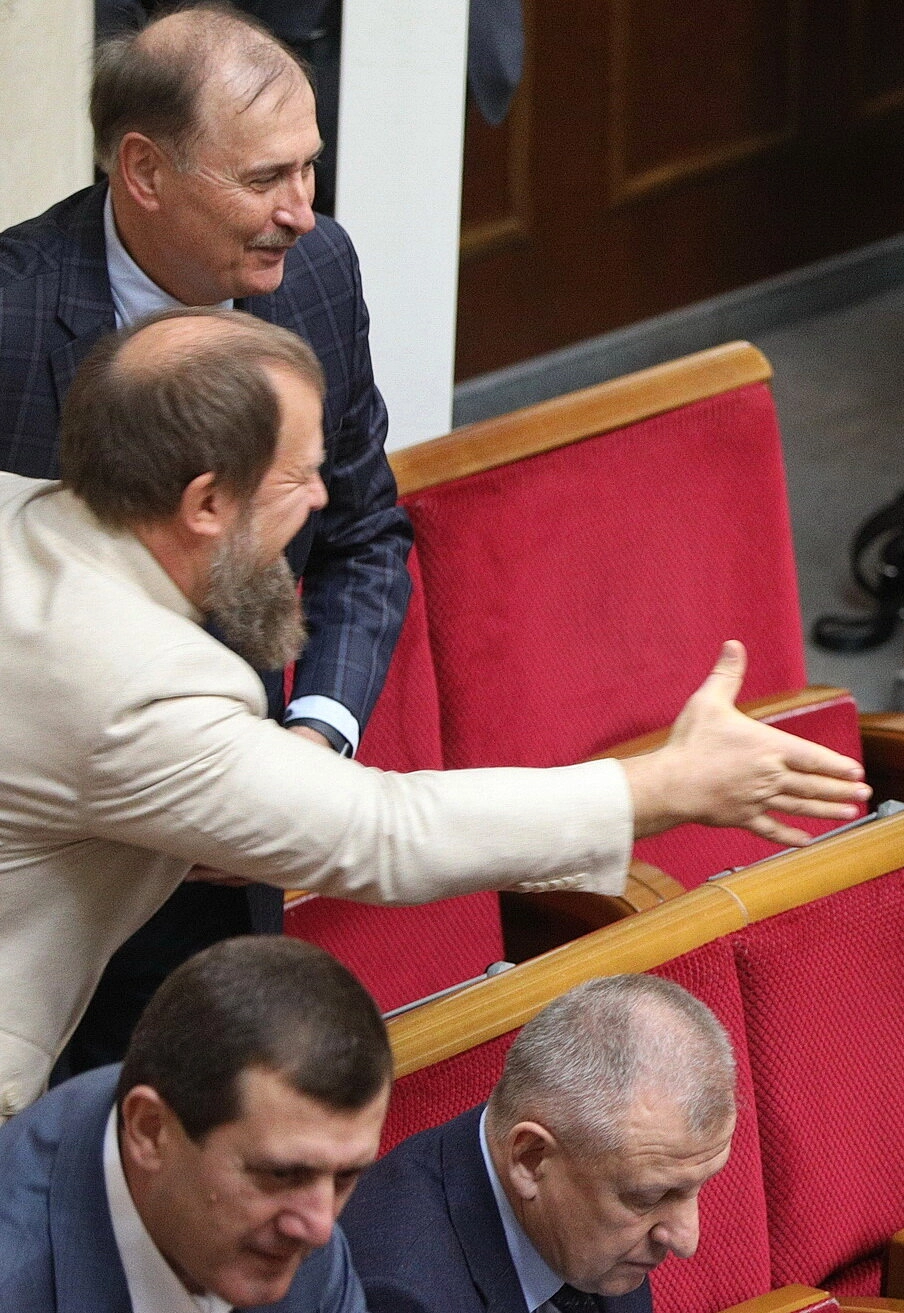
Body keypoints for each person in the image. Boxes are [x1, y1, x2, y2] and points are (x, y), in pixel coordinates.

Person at [0, 308, 868, 1116]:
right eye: (297, 475)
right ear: (206, 504)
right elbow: (385, 833)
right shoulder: (137, 685)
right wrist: (666, 784)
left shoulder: (23, 515)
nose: (321, 499)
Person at [0, 2, 412, 1071]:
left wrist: (314, 737)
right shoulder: (10, 318)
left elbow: (367, 530)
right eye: (266, 178)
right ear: (145, 170)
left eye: (310, 169)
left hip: (226, 875)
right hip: (40, 892)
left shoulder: (320, 277)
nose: (303, 213)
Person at [0, 936, 397, 1311]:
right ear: (150, 1130)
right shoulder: (16, 1279)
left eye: (346, 1177)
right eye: (279, 1174)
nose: (320, 1229)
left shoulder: (297, 1177)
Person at [341, 975, 737, 1312]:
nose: (687, 1239)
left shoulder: (598, 1192)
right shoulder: (397, 1295)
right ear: (530, 1159)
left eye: (697, 1187)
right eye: (648, 1197)